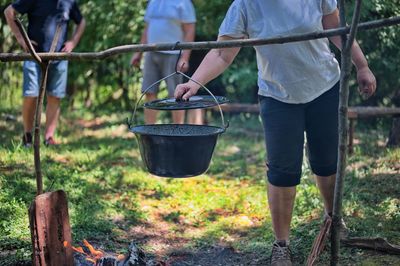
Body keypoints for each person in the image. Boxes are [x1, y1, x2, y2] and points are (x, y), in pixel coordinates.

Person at [174, 1, 376, 265]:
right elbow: (223, 54)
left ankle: (332, 218)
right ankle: (281, 245)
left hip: (324, 88)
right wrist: (194, 83)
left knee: (327, 163)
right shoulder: (245, 5)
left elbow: (337, 29)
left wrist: (362, 65)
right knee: (282, 171)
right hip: (277, 95)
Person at [4, 0, 86, 147]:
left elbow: (81, 22)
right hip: (33, 55)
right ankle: (28, 137)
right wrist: (22, 40)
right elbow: (9, 12)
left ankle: (49, 137)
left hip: (59, 57)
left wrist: (72, 42)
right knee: (31, 94)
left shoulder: (69, 2)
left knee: (55, 96)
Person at [130, 0, 202, 125]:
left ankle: (177, 131)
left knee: (176, 94)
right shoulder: (153, 2)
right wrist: (138, 52)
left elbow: (190, 30)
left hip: (174, 54)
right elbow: (147, 29)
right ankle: (150, 131)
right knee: (149, 91)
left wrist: (184, 57)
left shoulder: (183, 3)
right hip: (151, 52)